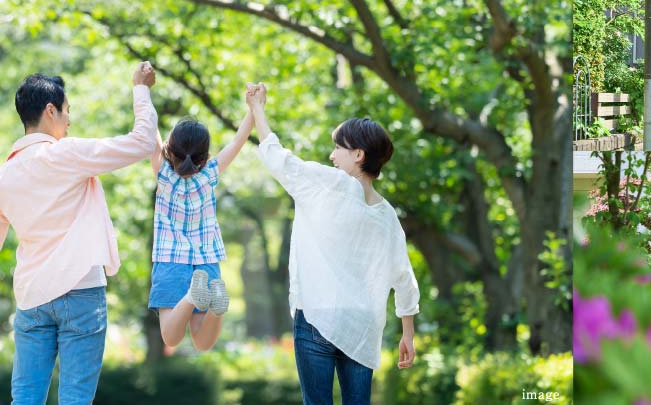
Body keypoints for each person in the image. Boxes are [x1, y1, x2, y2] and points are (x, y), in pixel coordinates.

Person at [245, 83, 419, 405]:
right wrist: (407, 333)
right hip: (362, 324)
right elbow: (404, 277)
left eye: (337, 147)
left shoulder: (328, 184)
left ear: (358, 154)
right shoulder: (387, 217)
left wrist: (258, 108)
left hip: (316, 316)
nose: (331, 155)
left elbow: (277, 157)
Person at [0, 63, 159, 405]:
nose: (69, 120)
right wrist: (140, 89)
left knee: (25, 398)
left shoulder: (4, 175)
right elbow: (144, 142)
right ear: (50, 110)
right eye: (67, 111)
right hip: (80, 292)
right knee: (75, 399)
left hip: (30, 298)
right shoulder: (66, 154)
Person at [147, 95, 254, 351]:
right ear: (205, 157)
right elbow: (239, 139)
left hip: (171, 258)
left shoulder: (163, 174)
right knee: (203, 342)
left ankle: (191, 296)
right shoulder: (209, 174)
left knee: (171, 337)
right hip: (206, 259)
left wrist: (142, 88)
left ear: (170, 151)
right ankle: (215, 308)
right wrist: (253, 107)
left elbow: (149, 126)